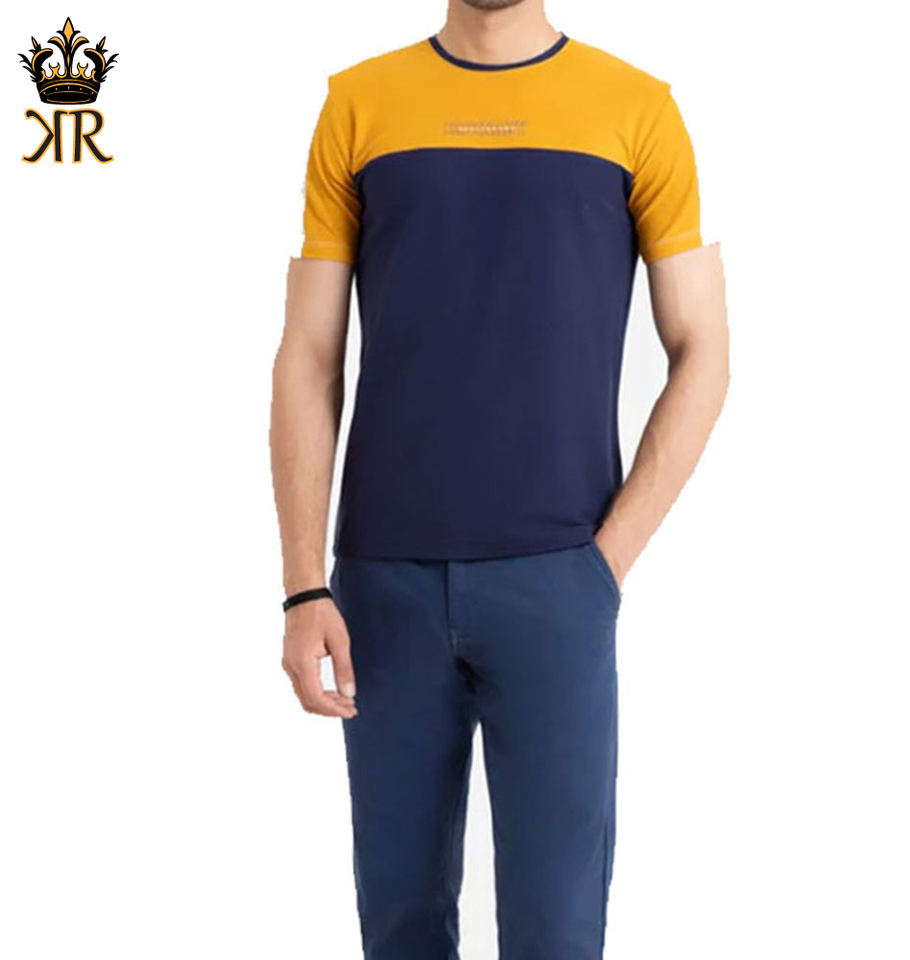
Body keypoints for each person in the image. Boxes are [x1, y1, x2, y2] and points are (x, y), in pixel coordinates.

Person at [270, 0, 728, 955]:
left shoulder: (637, 107)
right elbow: (309, 354)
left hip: (559, 579)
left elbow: (705, 351)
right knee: (398, 923)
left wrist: (603, 563)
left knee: (557, 932)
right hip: (381, 587)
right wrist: (304, 584)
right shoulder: (357, 104)